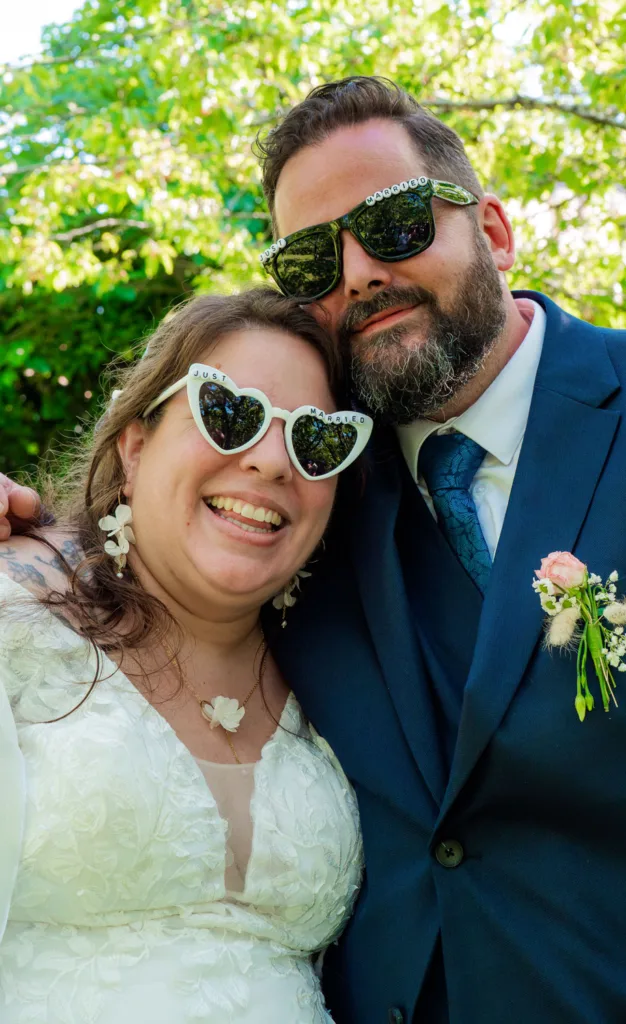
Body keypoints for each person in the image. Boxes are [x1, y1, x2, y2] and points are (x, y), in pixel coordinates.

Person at [5, 75, 626, 1024]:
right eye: (312, 260)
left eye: (397, 224)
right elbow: (167, 530)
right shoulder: (316, 491)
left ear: (490, 230)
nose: (357, 272)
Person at [0, 289, 370, 1023]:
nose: (269, 462)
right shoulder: (15, 621)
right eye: (228, 413)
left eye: (314, 440)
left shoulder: (346, 673)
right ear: (135, 448)